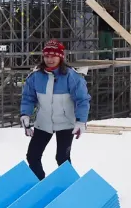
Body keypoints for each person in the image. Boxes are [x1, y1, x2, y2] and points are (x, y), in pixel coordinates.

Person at [20, 39, 91, 179]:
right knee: (32, 156)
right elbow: (28, 97)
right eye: (46, 56)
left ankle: (71, 187)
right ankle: (40, 185)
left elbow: (82, 100)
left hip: (66, 124)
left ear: (61, 57)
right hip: (43, 123)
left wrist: (81, 121)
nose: (50, 59)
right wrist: (25, 115)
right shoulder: (36, 76)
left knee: (62, 159)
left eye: (53, 56)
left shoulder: (71, 76)